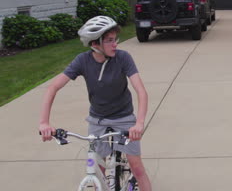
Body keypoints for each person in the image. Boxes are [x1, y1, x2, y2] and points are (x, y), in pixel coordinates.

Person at [39, 16, 152, 191]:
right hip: (97, 121)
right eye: (109, 40)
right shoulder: (82, 61)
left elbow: (141, 92)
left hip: (124, 119)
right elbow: (52, 88)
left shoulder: (123, 58)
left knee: (136, 167)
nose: (115, 44)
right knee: (95, 167)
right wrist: (44, 122)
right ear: (94, 44)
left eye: (115, 39)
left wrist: (139, 124)